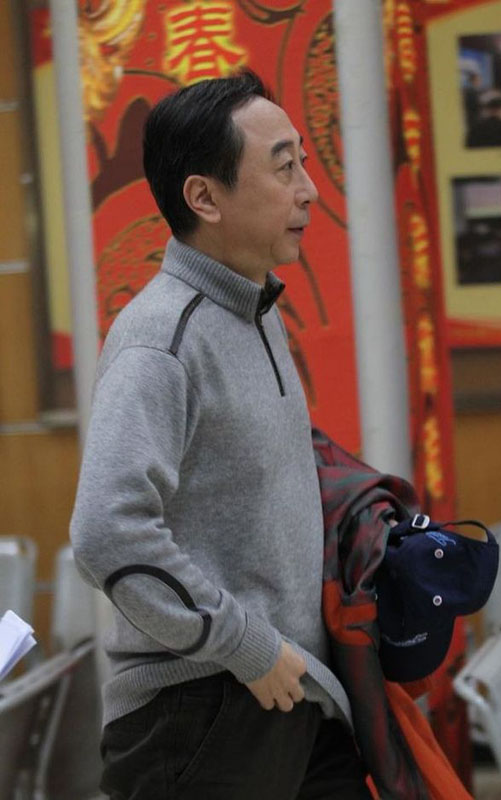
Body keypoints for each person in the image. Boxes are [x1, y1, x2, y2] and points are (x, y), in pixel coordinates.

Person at [70, 70, 371, 799]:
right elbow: (107, 532)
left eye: (304, 162)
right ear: (204, 198)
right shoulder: (160, 339)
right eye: (283, 167)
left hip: (289, 692)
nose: (309, 190)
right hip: (202, 711)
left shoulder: (255, 308)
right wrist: (246, 645)